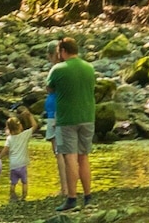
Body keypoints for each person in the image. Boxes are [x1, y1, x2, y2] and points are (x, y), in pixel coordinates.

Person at [47, 37, 98, 211]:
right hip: (88, 116)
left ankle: (71, 198)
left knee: (70, 158)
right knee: (84, 157)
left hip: (67, 119)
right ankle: (88, 196)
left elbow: (50, 89)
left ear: (62, 52)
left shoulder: (58, 69)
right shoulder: (89, 67)